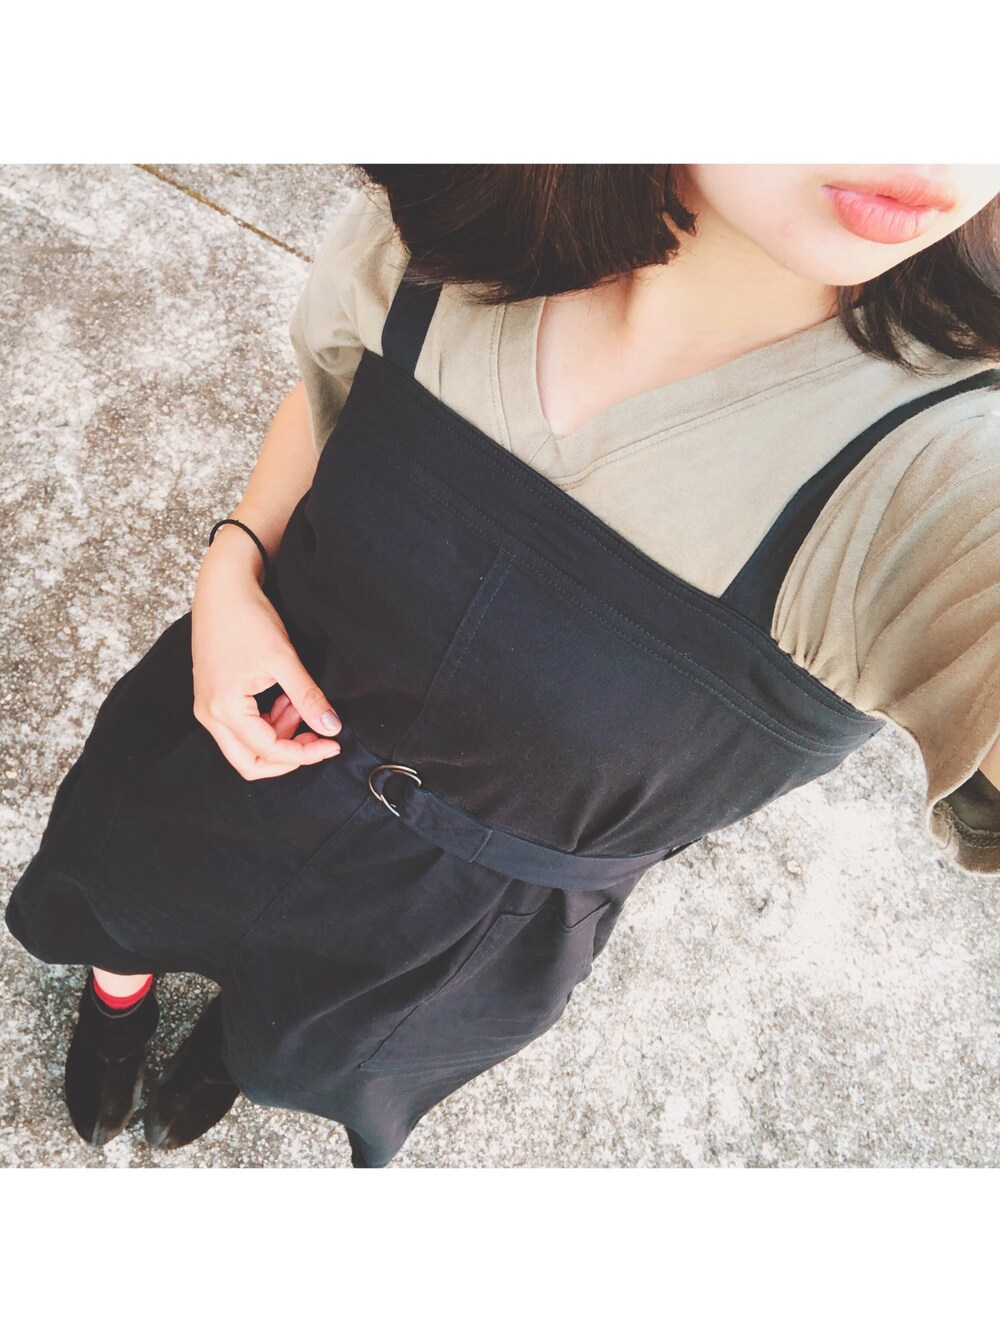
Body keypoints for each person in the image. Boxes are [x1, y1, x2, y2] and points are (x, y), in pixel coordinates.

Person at [6, 164, 1000, 1167]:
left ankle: (228, 1049)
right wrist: (233, 559)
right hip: (228, 737)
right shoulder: (455, 215)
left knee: (294, 1046)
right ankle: (117, 1000)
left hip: (455, 933)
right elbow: (327, 393)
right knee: (119, 901)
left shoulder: (946, 478)